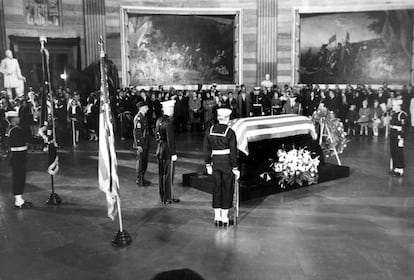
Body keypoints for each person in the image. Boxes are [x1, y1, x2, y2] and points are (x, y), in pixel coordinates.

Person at [203, 108, 239, 227]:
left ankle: (216, 217)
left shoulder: (209, 130)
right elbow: (233, 152)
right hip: (227, 163)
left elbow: (206, 149)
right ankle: (224, 218)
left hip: (215, 163)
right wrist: (235, 167)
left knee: (216, 188)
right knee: (227, 188)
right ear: (227, 118)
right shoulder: (230, 132)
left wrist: (208, 164)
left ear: (218, 118)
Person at [5, 111, 32, 209]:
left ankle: (19, 199)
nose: (19, 119)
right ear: (13, 119)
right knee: (19, 178)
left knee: (19, 177)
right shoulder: (16, 130)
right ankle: (19, 201)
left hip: (16, 156)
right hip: (19, 156)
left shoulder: (10, 129)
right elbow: (27, 139)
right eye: (17, 117)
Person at [155, 100, 180, 204]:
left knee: (161, 174)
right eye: (171, 108)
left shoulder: (159, 120)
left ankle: (163, 196)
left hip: (160, 149)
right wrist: (173, 153)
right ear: (168, 109)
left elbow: (156, 135)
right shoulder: (168, 122)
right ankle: (168, 197)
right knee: (169, 175)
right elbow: (170, 140)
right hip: (167, 151)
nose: (172, 110)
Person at [133, 101, 151, 186]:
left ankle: (142, 178)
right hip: (141, 143)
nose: (147, 109)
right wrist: (139, 145)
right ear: (142, 108)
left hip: (145, 142)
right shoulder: (138, 118)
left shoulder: (143, 117)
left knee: (144, 161)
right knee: (140, 162)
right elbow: (137, 132)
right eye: (146, 107)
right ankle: (139, 179)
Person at [389, 99, 408, 176]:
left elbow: (404, 128)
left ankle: (400, 169)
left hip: (398, 136)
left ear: (398, 106)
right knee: (393, 151)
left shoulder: (402, 114)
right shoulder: (394, 114)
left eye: (394, 105)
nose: (392, 107)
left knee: (399, 152)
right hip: (393, 136)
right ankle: (395, 167)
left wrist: (401, 138)